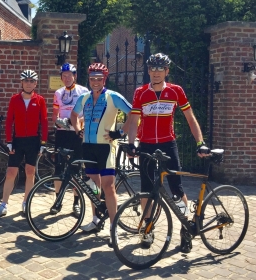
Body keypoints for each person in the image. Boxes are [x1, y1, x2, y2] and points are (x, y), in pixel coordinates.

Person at [126, 53, 210, 253]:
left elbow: (190, 118)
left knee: (177, 189)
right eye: (152, 69)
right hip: (146, 145)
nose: (156, 73)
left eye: (160, 69)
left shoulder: (176, 91)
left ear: (167, 71)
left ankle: (186, 229)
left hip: (168, 144)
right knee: (147, 189)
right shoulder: (140, 93)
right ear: (148, 71)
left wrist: (200, 142)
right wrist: (131, 143)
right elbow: (133, 121)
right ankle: (147, 228)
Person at [70, 63, 132, 245]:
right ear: (88, 80)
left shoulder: (113, 97)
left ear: (104, 79)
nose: (95, 82)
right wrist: (76, 129)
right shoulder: (84, 97)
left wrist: (120, 133)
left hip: (106, 147)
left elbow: (134, 113)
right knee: (93, 187)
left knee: (108, 187)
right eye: (92, 79)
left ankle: (114, 227)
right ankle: (96, 220)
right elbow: (74, 116)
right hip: (88, 147)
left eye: (99, 79)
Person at [0, 70, 48, 217]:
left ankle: (26, 202)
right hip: (17, 140)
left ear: (35, 83)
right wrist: (9, 140)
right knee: (11, 172)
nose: (29, 84)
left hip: (33, 140)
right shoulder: (14, 99)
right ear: (22, 83)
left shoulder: (40, 100)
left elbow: (44, 121)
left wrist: (43, 142)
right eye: (26, 81)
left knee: (30, 172)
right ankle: (4, 204)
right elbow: (9, 121)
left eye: (32, 81)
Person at [52, 63, 89, 218]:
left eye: (70, 75)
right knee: (59, 169)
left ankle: (76, 202)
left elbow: (87, 113)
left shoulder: (84, 91)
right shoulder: (58, 93)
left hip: (77, 134)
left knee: (76, 168)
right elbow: (54, 115)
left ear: (75, 76)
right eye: (64, 76)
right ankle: (58, 200)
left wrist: (79, 124)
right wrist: (59, 121)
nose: (67, 78)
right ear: (61, 77)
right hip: (62, 133)